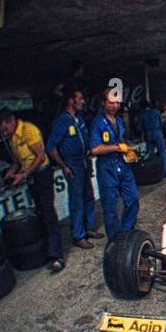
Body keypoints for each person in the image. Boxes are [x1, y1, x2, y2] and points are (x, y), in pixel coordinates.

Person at [0, 108, 65, 272]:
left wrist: (24, 174)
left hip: (42, 172)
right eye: (2, 131)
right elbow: (17, 161)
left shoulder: (28, 130)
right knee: (40, 212)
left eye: (6, 128)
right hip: (30, 175)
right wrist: (12, 172)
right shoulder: (12, 138)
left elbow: (40, 156)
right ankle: (45, 250)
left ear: (12, 120)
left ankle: (57, 255)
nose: (5, 133)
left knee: (48, 212)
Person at [46, 89, 104, 250]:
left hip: (84, 161)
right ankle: (78, 235)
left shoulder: (79, 119)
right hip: (72, 165)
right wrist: (64, 166)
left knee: (89, 197)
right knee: (77, 200)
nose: (83, 101)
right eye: (80, 98)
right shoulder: (62, 121)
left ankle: (88, 228)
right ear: (71, 101)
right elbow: (51, 148)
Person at [89, 87, 139, 238]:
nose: (115, 106)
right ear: (104, 103)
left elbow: (121, 139)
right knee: (110, 207)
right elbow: (95, 149)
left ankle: (126, 232)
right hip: (107, 168)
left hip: (123, 165)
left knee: (133, 199)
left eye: (117, 102)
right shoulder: (98, 122)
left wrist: (128, 150)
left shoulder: (119, 120)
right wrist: (117, 147)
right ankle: (115, 240)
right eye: (111, 102)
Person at [139, 99, 166, 174]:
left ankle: (153, 171)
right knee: (162, 152)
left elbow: (140, 128)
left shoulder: (142, 115)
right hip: (157, 132)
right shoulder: (156, 112)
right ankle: (165, 171)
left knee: (150, 153)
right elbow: (161, 123)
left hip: (148, 134)